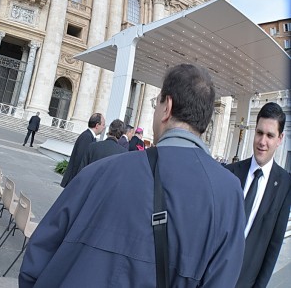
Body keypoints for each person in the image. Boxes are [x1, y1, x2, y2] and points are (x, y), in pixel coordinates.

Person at [19, 64, 245, 287]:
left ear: (167, 107)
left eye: (155, 103)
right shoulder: (229, 193)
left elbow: (38, 257)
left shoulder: (101, 171)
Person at [226, 102, 291, 288]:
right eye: (259, 133)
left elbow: (274, 245)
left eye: (270, 135)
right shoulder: (230, 173)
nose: (262, 141)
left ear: (280, 139)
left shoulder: (285, 185)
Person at [59, 112, 105, 188]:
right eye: (103, 125)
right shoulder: (87, 137)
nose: (104, 128)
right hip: (75, 181)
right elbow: (80, 161)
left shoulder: (89, 136)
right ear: (97, 125)